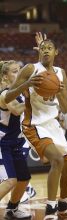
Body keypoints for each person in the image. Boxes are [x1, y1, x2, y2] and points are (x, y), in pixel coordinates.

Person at [5, 39, 67, 220]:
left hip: (52, 124)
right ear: (39, 52)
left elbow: (65, 109)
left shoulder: (61, 73)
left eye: (49, 48)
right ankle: (50, 210)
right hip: (33, 124)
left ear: (56, 52)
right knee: (56, 160)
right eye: (43, 48)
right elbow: (8, 96)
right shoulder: (30, 69)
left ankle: (63, 207)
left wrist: (58, 91)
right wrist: (27, 84)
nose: (46, 51)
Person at [0, 60, 32, 219]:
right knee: (11, 180)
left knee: (24, 178)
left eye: (19, 70)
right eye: (14, 71)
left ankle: (11, 210)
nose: (18, 73)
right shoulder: (5, 93)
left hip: (15, 143)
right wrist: (31, 98)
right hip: (3, 144)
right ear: (5, 76)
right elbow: (17, 110)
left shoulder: (17, 92)